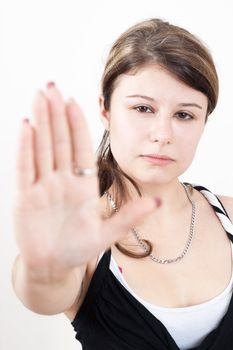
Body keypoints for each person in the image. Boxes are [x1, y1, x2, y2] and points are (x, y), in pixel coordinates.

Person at [12, 18, 233, 350]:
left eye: (184, 115)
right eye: (143, 108)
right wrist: (45, 269)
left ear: (204, 121)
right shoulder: (82, 238)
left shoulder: (228, 215)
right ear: (105, 109)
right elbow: (42, 295)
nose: (162, 134)